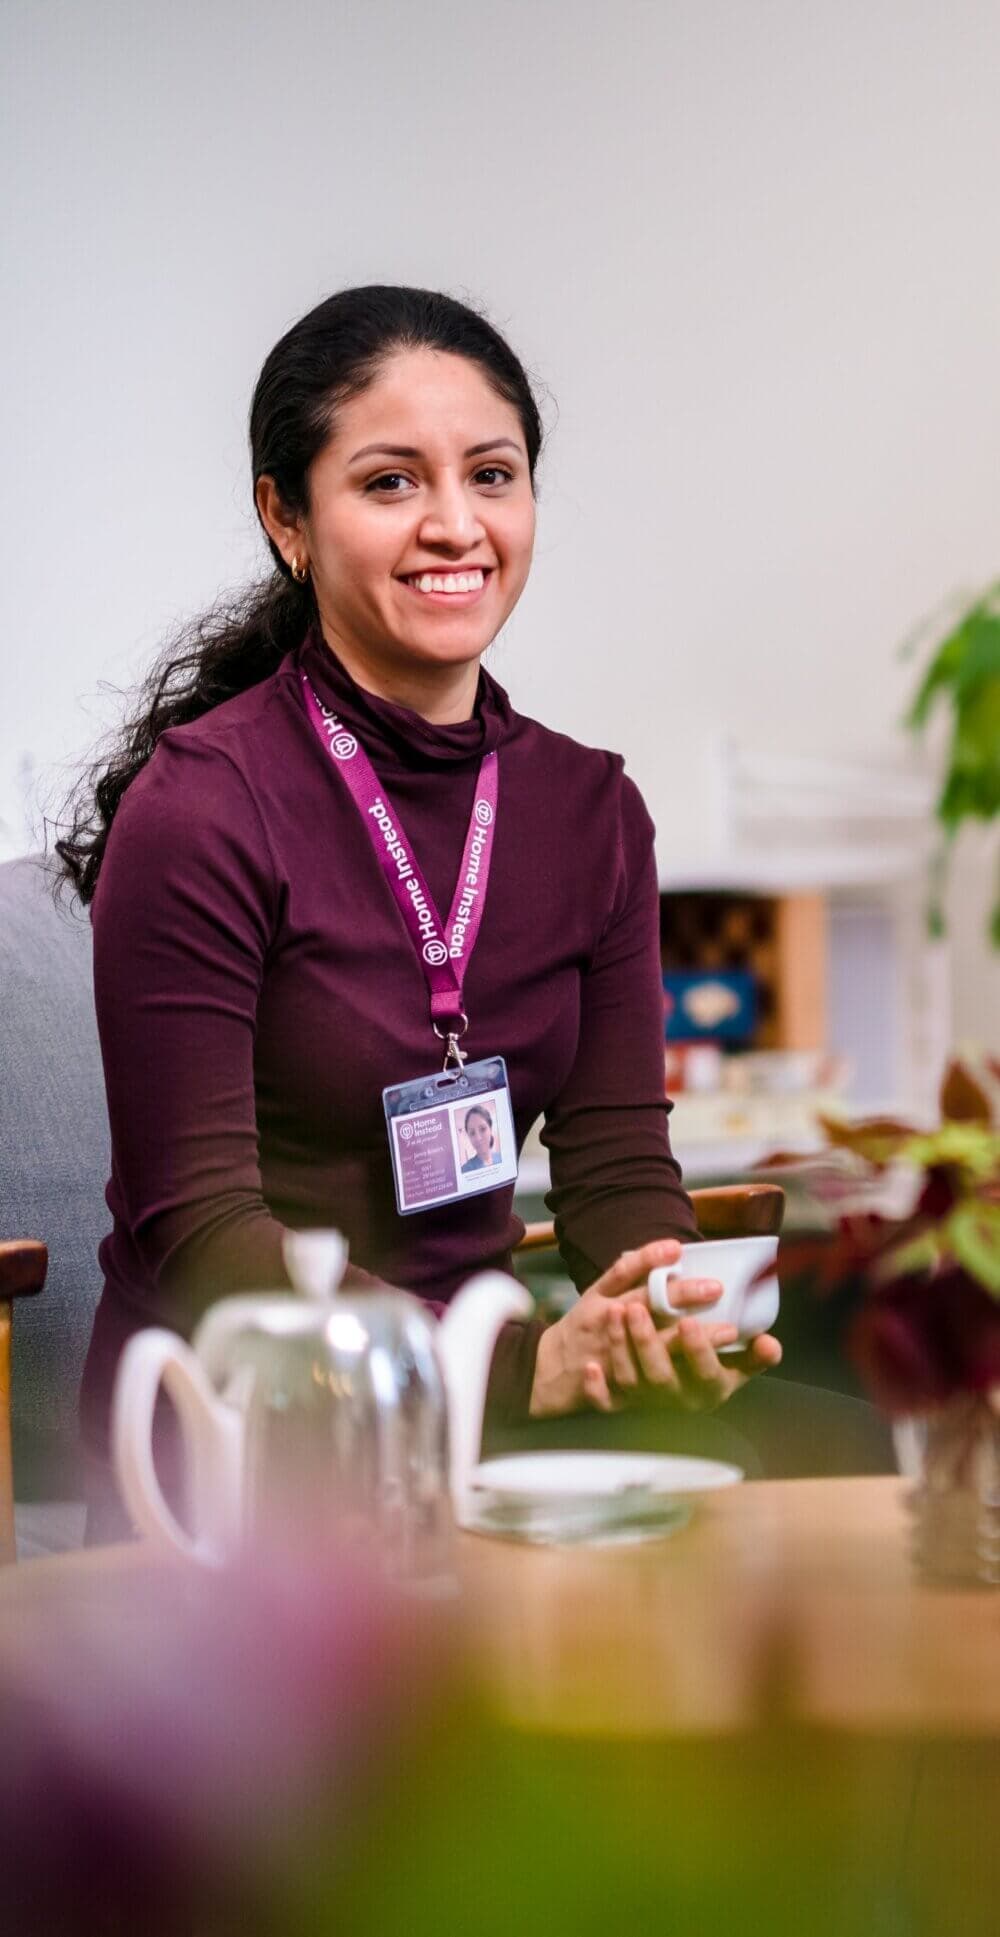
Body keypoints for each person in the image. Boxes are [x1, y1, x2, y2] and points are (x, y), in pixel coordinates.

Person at [57, 286, 886, 1535]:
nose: (456, 525)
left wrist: (652, 1315)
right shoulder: (204, 808)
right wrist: (521, 1362)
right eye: (390, 483)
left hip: (509, 1400)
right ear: (287, 518)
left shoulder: (590, 808)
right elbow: (201, 1231)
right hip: (265, 1423)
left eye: (491, 474)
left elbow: (614, 1166)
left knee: (847, 1452)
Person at [461, 1105, 502, 1173]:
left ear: (490, 1129)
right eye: (472, 1133)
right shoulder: (465, 1170)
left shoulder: (502, 1158)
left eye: (483, 1129)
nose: (478, 1138)